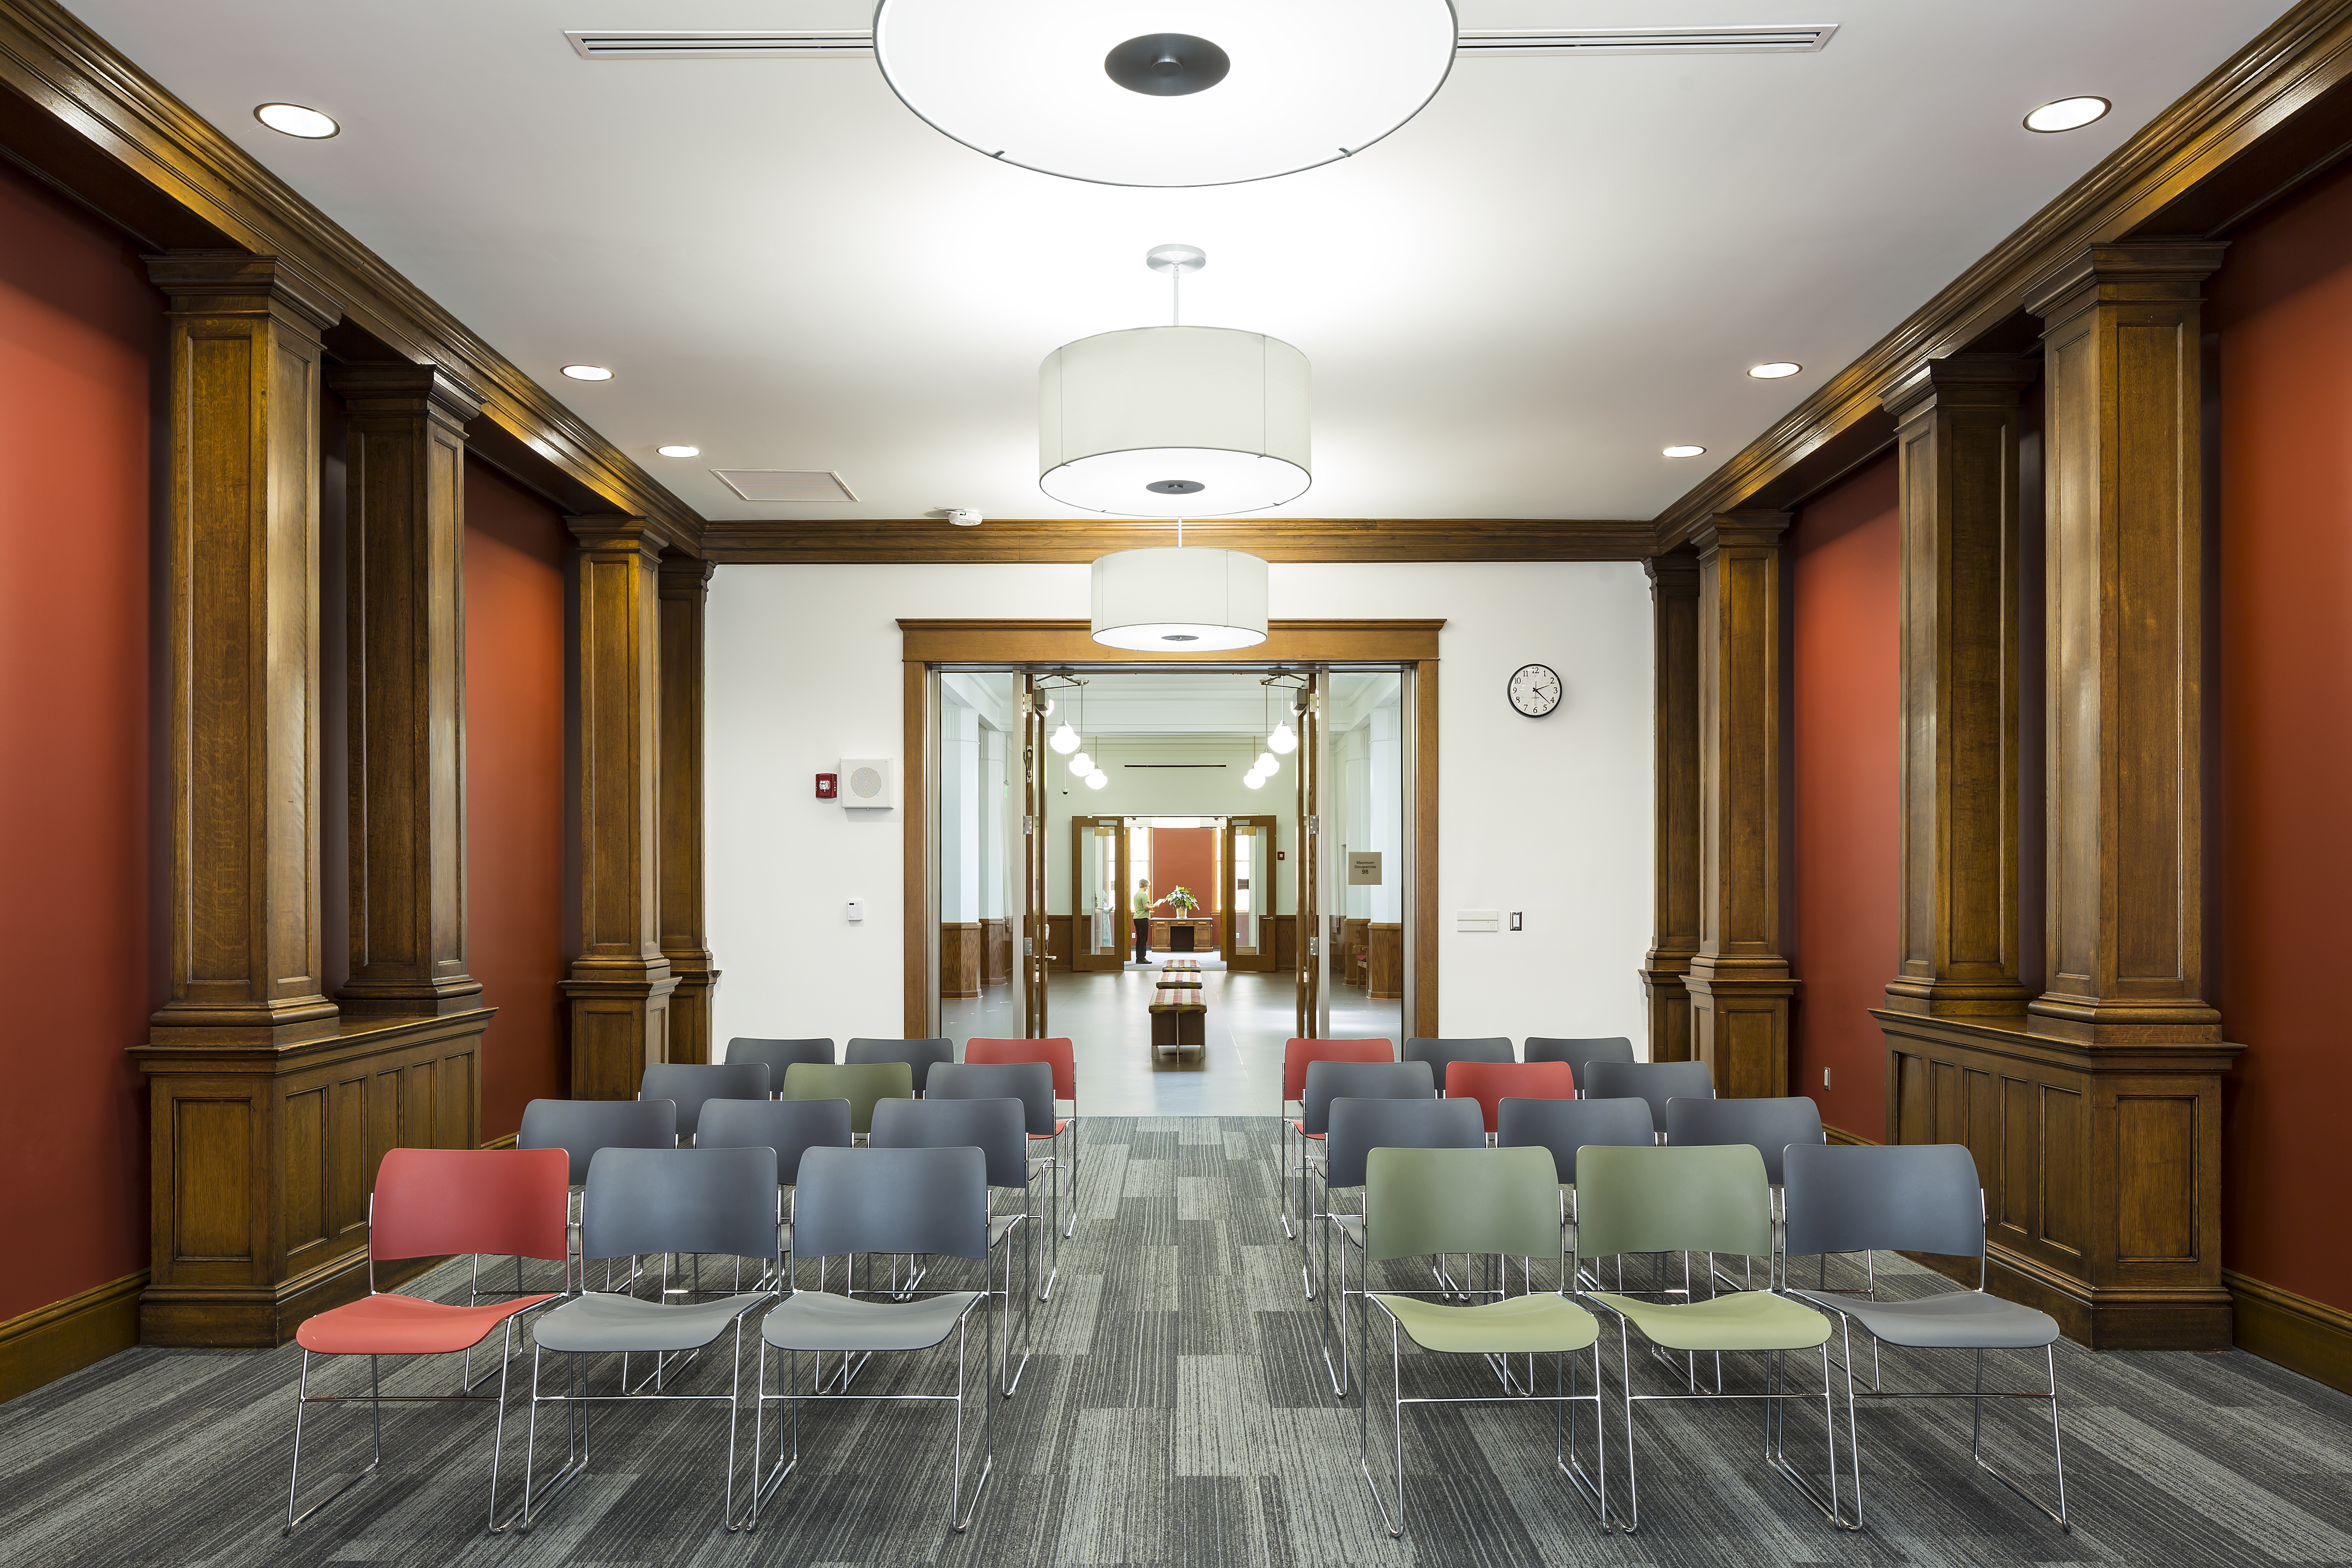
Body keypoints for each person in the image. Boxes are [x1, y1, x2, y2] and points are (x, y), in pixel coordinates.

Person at [1131, 876, 1158, 964]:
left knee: (1139, 939)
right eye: (1148, 886)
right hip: (1143, 919)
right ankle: (1142, 958)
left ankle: (1138, 958)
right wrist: (1154, 906)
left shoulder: (1137, 895)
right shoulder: (1143, 895)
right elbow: (1146, 907)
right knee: (1144, 939)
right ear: (1145, 885)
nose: (1148, 888)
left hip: (1136, 918)